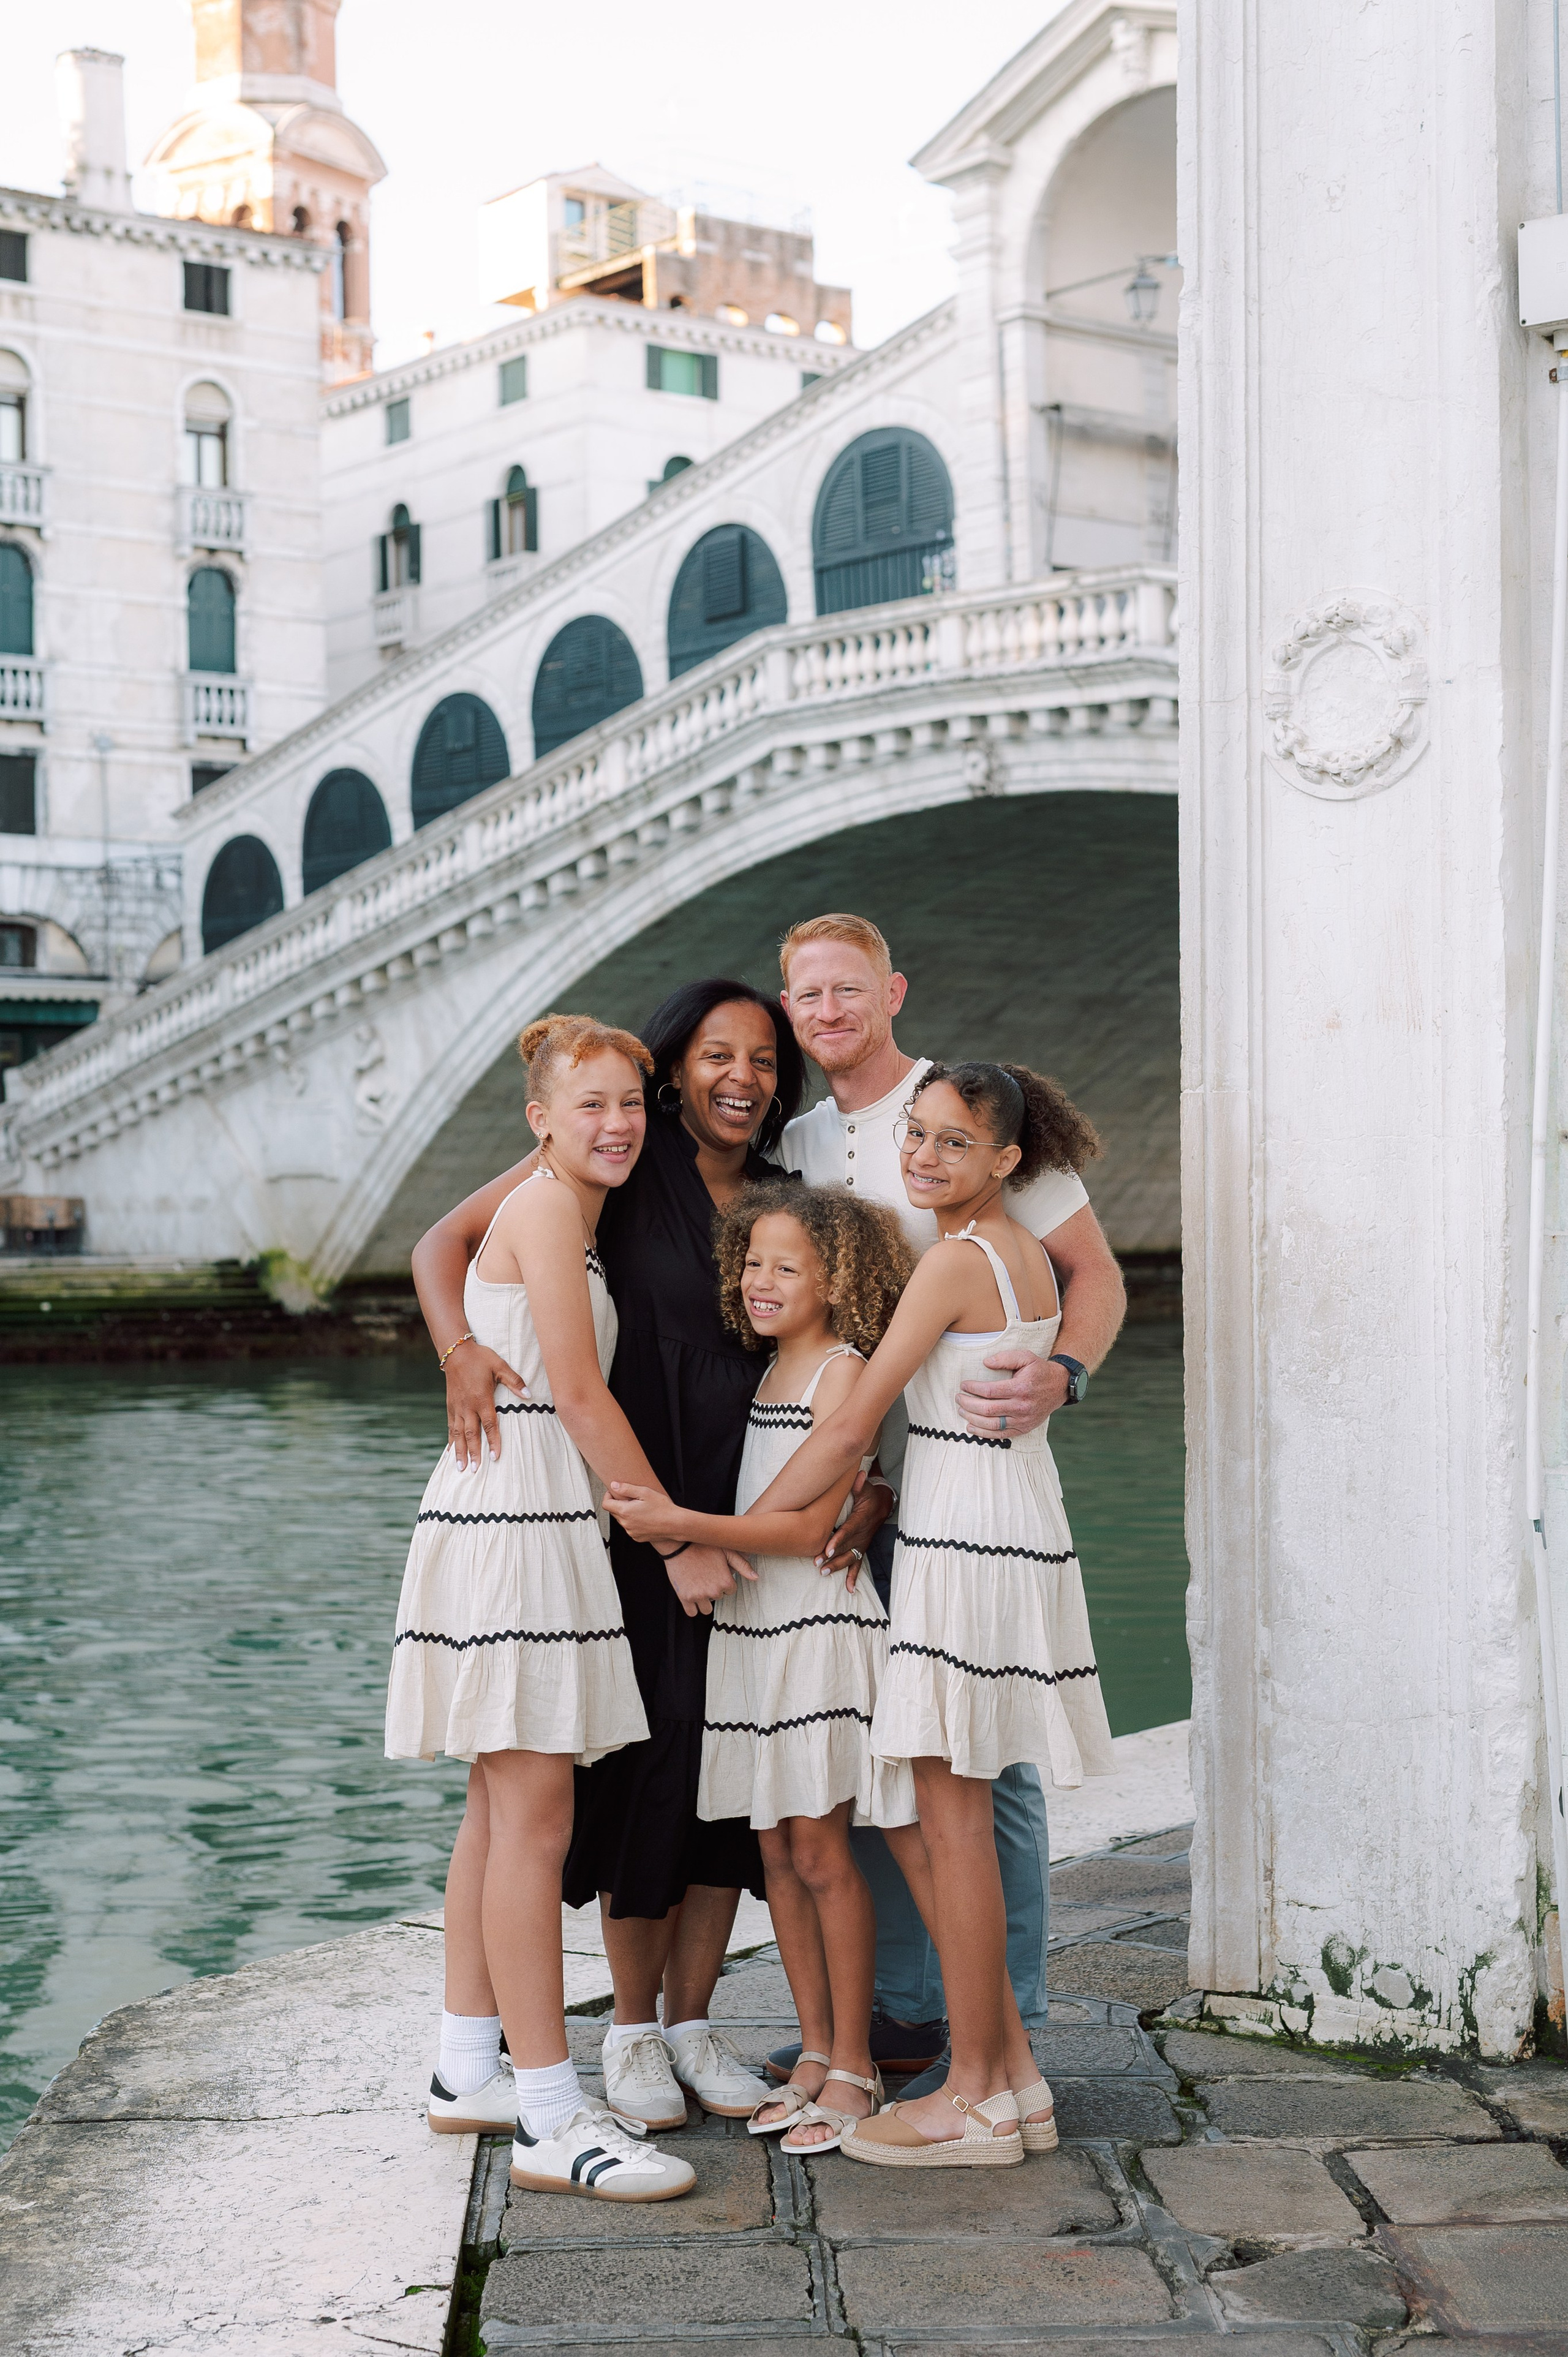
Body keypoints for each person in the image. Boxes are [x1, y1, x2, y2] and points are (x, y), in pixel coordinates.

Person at [410, 980, 895, 2134]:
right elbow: (447, 1243)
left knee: (727, 1782)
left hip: (752, 1521)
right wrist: (459, 1348)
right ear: (676, 1070)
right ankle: (626, 2031)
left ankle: (690, 2021)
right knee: (641, 1770)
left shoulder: (788, 1201)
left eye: (766, 1059)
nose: (744, 1076)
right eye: (719, 1054)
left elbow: (845, 1359)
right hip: (631, 1516)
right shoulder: (612, 1173)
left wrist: (867, 1484)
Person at [612, 1059, 1115, 2168]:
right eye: (916, 1136)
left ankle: (978, 2093)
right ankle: (1013, 2081)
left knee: (951, 1824)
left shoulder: (952, 1264)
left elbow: (844, 1435)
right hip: (1003, 1523)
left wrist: (704, 1524)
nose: (922, 1157)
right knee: (949, 1817)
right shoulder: (1016, 1254)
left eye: (950, 1143)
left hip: (961, 1544)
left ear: (1007, 1162)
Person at [766, 913, 1126, 2087]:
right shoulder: (809, 1138)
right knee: (880, 1740)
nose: (828, 1012)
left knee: (990, 1759)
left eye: (848, 990)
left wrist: (1063, 1372)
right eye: (808, 996)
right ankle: (911, 2011)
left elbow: (1096, 1276)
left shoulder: (974, 1114)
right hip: (864, 1492)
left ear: (893, 991)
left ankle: (1002, 2019)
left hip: (964, 1476)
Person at [386, 1013, 695, 2203]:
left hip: (515, 1518)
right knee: (534, 1819)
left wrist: (461, 1335)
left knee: (496, 1805)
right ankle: (554, 2121)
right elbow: (573, 1390)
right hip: (516, 1527)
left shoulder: (558, 1196)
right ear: (542, 1117)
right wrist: (671, 1528)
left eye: (631, 1102)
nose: (616, 1123)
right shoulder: (550, 1205)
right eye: (593, 1105)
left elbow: (450, 1260)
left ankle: (470, 2070)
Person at [696, 1183, 918, 2154]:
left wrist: (680, 1530)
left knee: (824, 1850)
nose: (763, 1282)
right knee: (776, 1853)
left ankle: (859, 2063)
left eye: (788, 1267)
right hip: (753, 1632)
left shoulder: (841, 1373)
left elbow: (806, 1528)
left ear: (836, 1280)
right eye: (753, 1264)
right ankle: (819, 2052)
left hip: (815, 1628)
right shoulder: (759, 1375)